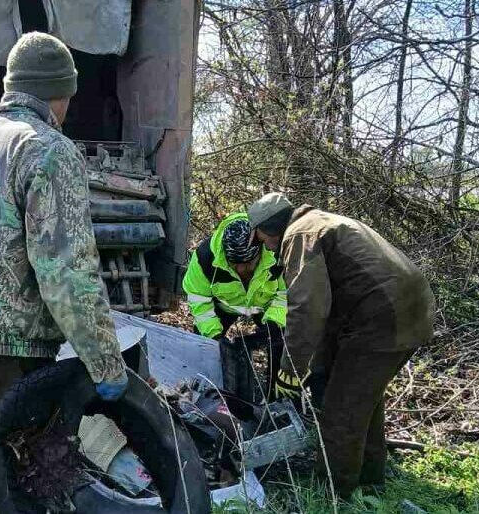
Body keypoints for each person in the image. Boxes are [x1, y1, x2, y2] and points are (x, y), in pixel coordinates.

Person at [0, 32, 127, 514]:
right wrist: (106, 362)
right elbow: (67, 273)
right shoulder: (50, 150)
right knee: (13, 488)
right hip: (8, 357)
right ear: (60, 94)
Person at [246, 193, 436, 499]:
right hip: (409, 311)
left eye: (262, 240)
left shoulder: (300, 236)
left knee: (340, 411)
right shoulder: (319, 221)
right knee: (362, 402)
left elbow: (307, 309)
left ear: (269, 230)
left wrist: (290, 370)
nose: (266, 248)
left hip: (383, 318)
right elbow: (330, 309)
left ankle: (333, 492)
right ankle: (370, 480)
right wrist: (317, 367)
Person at [182, 213, 287, 397]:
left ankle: (276, 396)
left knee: (281, 341)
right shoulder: (205, 258)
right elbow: (199, 301)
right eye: (234, 264)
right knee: (206, 347)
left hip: (265, 305)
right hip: (223, 307)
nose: (241, 270)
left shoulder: (278, 255)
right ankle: (211, 395)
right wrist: (214, 335)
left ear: (260, 253)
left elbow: (286, 294)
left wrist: (274, 322)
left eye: (247, 264)